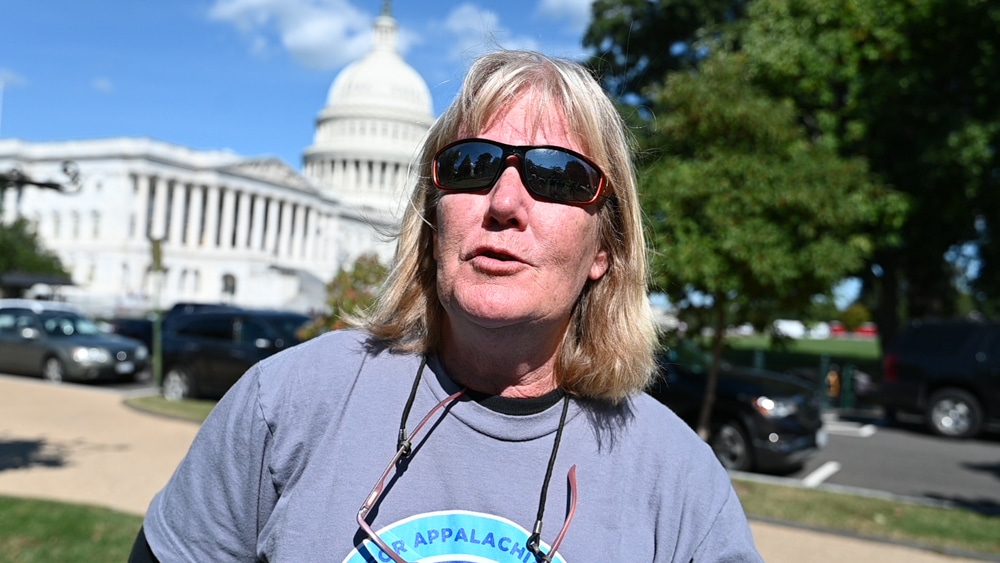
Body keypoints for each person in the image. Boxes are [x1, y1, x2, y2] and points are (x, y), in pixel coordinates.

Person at [130, 49, 763, 562]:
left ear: (606, 248)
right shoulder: (286, 403)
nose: (504, 202)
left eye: (557, 177)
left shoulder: (680, 486)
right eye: (472, 165)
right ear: (433, 216)